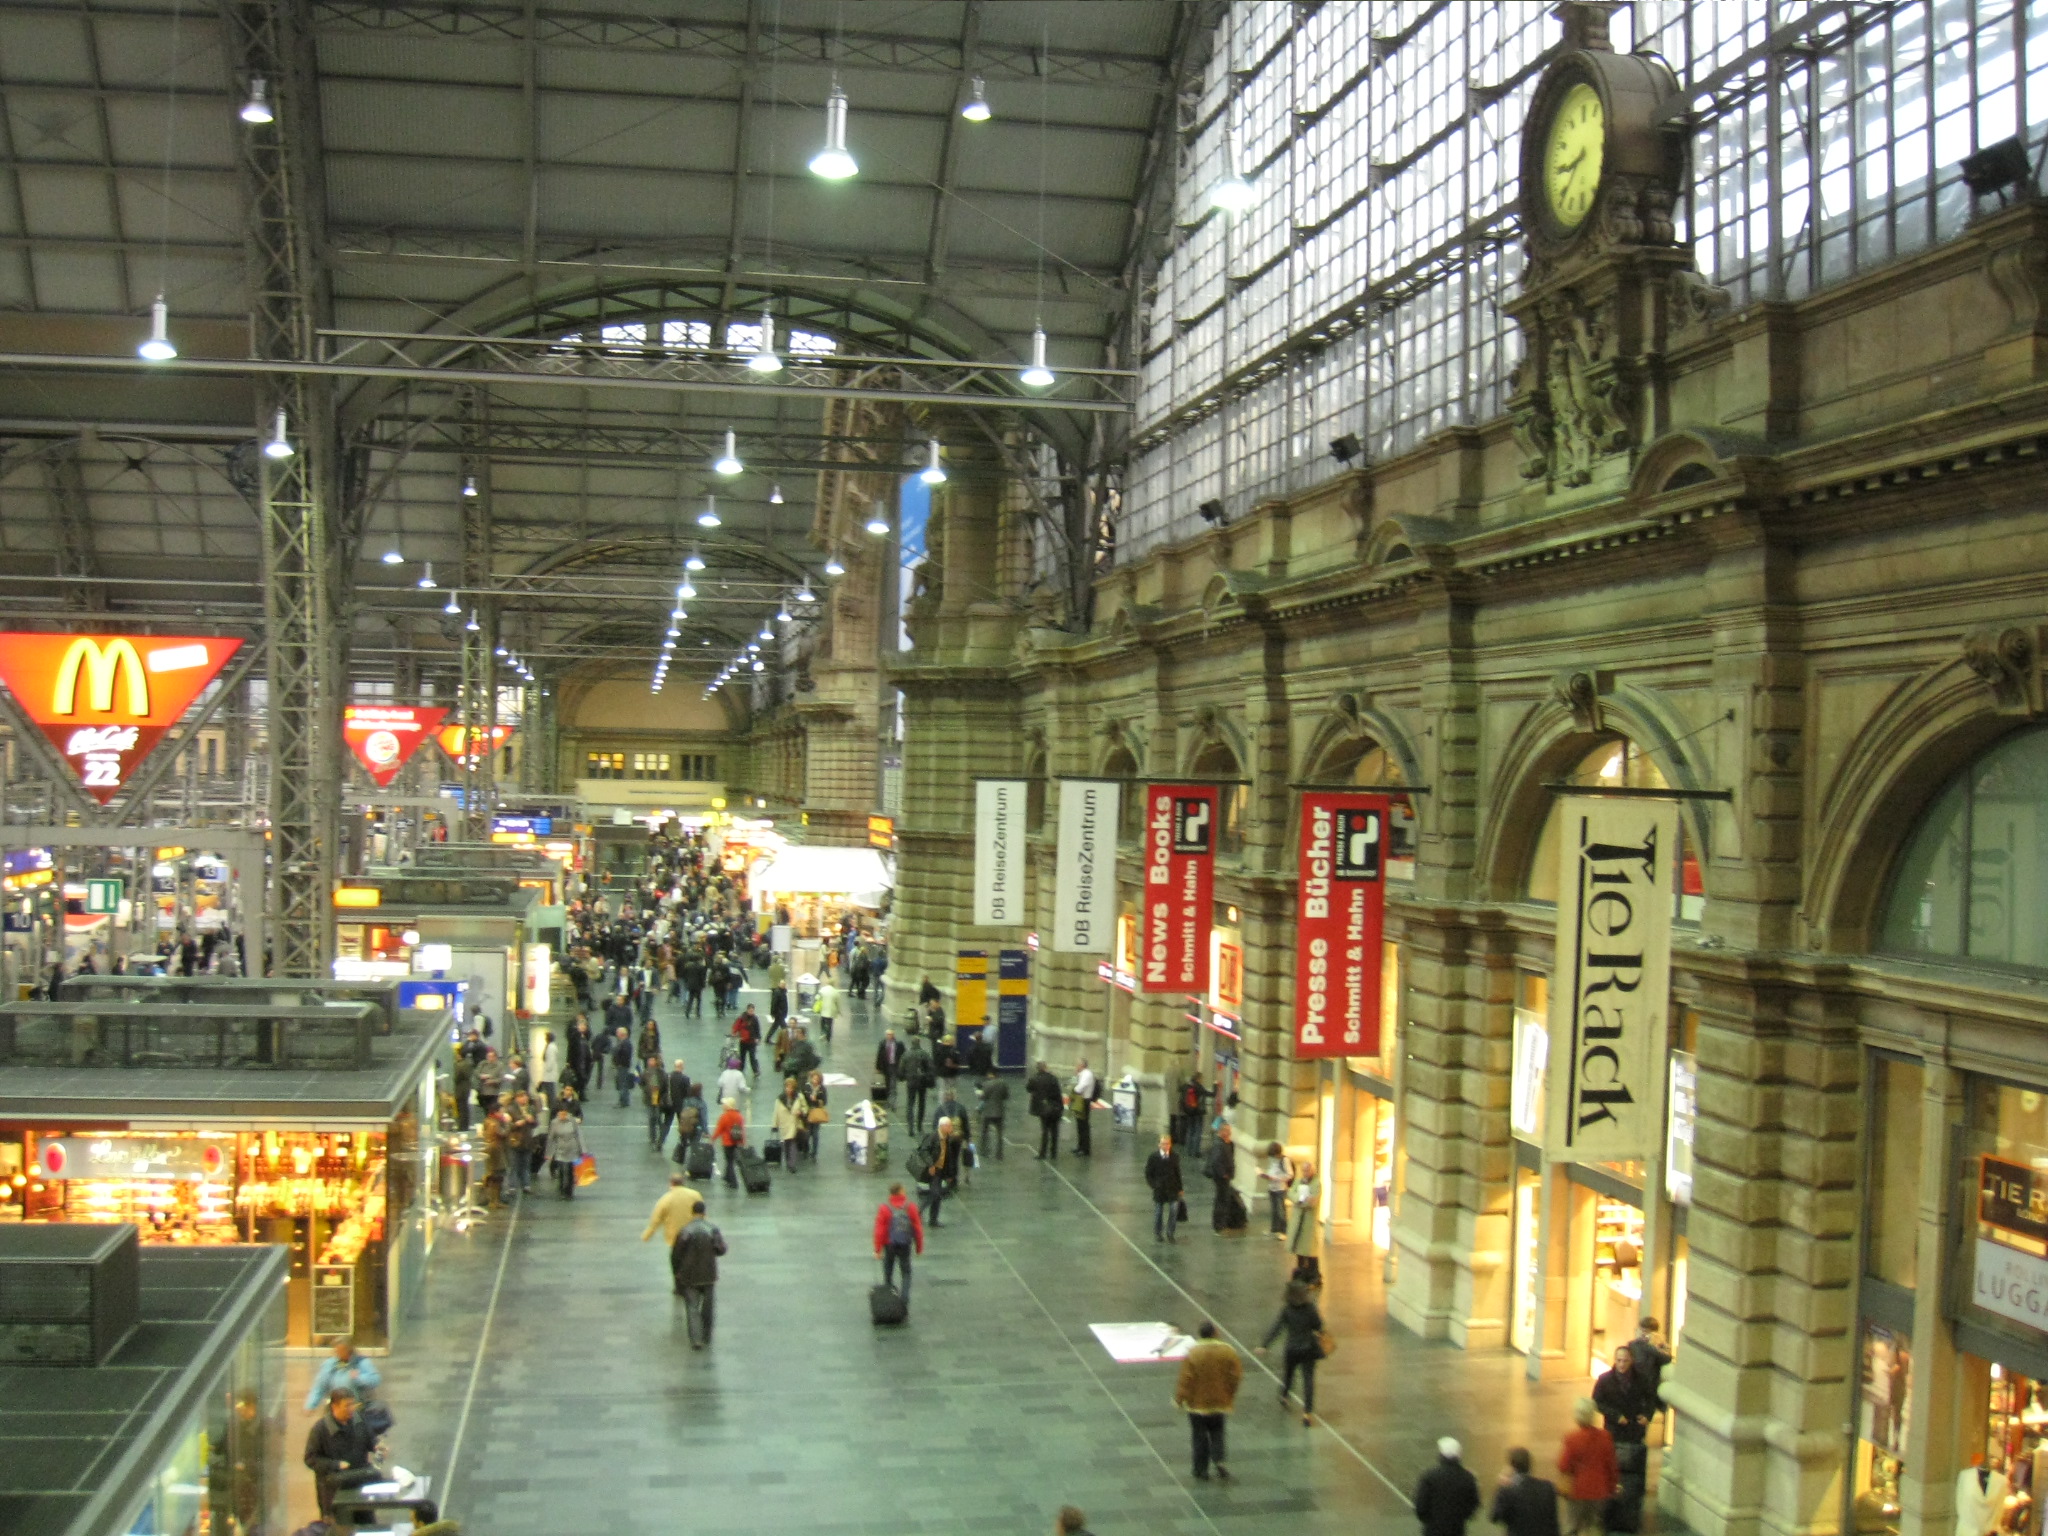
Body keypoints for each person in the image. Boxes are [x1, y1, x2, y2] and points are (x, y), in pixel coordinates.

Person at [1173, 1319, 1242, 1481]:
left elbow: (1186, 1379)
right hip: (1220, 1401)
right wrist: (1229, 1392)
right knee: (1217, 1431)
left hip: (1197, 1403)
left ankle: (1201, 1470)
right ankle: (1219, 1460)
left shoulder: (1193, 1353)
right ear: (1215, 1333)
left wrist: (1179, 1399)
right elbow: (1236, 1375)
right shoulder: (1228, 1351)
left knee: (1199, 1435)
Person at [303, 1389, 378, 1523]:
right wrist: (335, 1465)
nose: (351, 1409)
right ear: (334, 1406)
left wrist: (377, 1447)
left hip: (360, 1486)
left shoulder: (359, 1422)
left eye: (353, 1404)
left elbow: (371, 1441)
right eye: (347, 1405)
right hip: (334, 1494)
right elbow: (310, 1459)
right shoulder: (321, 1429)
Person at [1257, 1279, 1325, 1425]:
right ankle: (1307, 1413)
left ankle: (1284, 1396)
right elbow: (1318, 1326)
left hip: (1292, 1349)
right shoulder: (1310, 1308)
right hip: (1308, 1348)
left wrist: (1265, 1345)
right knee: (1308, 1380)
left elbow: (1277, 1328)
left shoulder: (1287, 1310)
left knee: (1289, 1374)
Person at [1557, 1398, 1619, 1536]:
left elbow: (1563, 1466)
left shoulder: (1572, 1438)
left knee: (1572, 1525)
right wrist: (1612, 1487)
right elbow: (1612, 1466)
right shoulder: (1606, 1437)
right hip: (1600, 1490)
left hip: (1577, 1491)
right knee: (1594, 1526)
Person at [671, 1200, 725, 1349]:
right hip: (708, 1274)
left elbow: (676, 1255)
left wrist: (677, 1272)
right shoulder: (712, 1229)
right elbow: (721, 1249)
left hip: (689, 1275)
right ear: (704, 1213)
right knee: (708, 1308)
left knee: (692, 1307)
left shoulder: (685, 1231)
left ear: (692, 1213)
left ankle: (696, 1339)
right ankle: (706, 1336)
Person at [1415, 1438, 1483, 1536]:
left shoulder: (1429, 1476)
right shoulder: (1467, 1477)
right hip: (1457, 1529)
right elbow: (1474, 1503)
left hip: (1433, 1529)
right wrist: (1462, 1517)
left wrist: (1428, 1520)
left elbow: (1421, 1505)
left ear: (1441, 1455)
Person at [873, 1180, 925, 1306]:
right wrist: (919, 1247)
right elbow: (917, 1229)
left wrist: (878, 1249)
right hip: (905, 1244)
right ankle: (904, 1300)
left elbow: (879, 1230)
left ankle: (889, 1297)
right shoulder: (910, 1207)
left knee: (888, 1271)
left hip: (889, 1244)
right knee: (906, 1273)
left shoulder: (884, 1208)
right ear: (900, 1191)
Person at [1490, 1447, 1562, 1536]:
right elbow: (1553, 1521)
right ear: (1529, 1465)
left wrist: (1501, 1486)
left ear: (1511, 1467)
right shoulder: (1548, 1487)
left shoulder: (1507, 1491)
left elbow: (1494, 1517)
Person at [1592, 1345, 1654, 1444]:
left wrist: (1647, 1415)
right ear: (1615, 1360)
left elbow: (1651, 1398)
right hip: (1613, 1429)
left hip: (1635, 1430)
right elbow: (1596, 1402)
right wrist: (1615, 1416)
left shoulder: (1641, 1379)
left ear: (1631, 1360)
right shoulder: (1604, 1379)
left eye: (1625, 1361)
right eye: (1619, 1360)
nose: (1622, 1364)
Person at [303, 1336, 382, 1413]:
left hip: (357, 1409)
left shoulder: (361, 1362)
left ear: (349, 1349)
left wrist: (359, 1378)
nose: (339, 1353)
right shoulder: (329, 1364)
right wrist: (311, 1405)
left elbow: (375, 1380)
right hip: (335, 1409)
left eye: (342, 1350)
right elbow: (319, 1386)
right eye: (337, 1350)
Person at [641, 1173, 706, 1260]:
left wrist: (646, 1236)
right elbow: (702, 1214)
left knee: (678, 1261)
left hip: (675, 1238)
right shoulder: (695, 1195)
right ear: (683, 1183)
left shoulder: (666, 1199)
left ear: (671, 1183)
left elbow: (656, 1220)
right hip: (694, 1235)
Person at [915, 1116, 963, 1227]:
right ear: (942, 1126)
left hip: (941, 1171)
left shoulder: (947, 1138)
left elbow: (949, 1157)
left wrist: (950, 1174)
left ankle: (933, 1219)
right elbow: (923, 1151)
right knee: (935, 1193)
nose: (951, 1128)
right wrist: (930, 1164)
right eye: (949, 1126)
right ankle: (918, 1211)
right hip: (933, 1171)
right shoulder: (933, 1137)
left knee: (937, 1195)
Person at [1288, 1157, 1323, 1281]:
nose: (1305, 1173)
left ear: (1313, 1171)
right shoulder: (1298, 1181)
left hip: (1309, 1220)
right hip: (1298, 1219)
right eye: (1303, 1170)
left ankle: (1314, 1273)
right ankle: (1301, 1270)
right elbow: (1291, 1193)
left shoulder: (1316, 1183)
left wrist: (1302, 1202)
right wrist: (1299, 1199)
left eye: (1307, 1170)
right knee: (1299, 1247)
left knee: (1309, 1248)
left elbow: (1312, 1201)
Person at [1146, 1133, 1185, 1242]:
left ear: (1170, 1145)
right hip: (1160, 1189)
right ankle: (1158, 1233)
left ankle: (1170, 1233)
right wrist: (1153, 1185)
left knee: (1173, 1210)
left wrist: (1180, 1188)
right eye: (1163, 1144)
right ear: (1159, 1144)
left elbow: (1177, 1173)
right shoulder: (1153, 1157)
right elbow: (1148, 1173)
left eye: (1167, 1144)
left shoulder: (1174, 1156)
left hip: (1172, 1188)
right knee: (1158, 1211)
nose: (1165, 1146)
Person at [545, 1105, 584, 1198]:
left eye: (564, 1114)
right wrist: (549, 1153)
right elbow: (551, 1138)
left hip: (572, 1149)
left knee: (570, 1171)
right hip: (560, 1150)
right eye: (560, 1114)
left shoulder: (572, 1121)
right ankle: (562, 1190)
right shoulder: (554, 1123)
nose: (562, 1116)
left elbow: (578, 1135)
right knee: (562, 1170)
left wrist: (582, 1150)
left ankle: (569, 1192)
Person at [1205, 1125, 1240, 1232]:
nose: (1229, 1133)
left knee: (1223, 1199)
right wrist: (1223, 1174)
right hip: (1221, 1178)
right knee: (1221, 1200)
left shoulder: (1227, 1144)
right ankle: (1219, 1225)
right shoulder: (1219, 1145)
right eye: (1227, 1131)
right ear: (1221, 1132)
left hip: (1225, 1176)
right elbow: (1216, 1161)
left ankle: (1222, 1223)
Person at [1028, 1059, 1064, 1159]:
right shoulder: (1053, 1078)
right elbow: (1058, 1093)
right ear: (1045, 1067)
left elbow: (1028, 1088)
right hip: (1054, 1107)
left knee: (1045, 1131)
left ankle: (1042, 1153)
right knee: (1054, 1131)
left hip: (1042, 1108)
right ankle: (1053, 1153)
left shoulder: (1034, 1079)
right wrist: (1060, 1107)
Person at [902, 1032, 936, 1134]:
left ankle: (910, 1128)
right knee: (921, 1103)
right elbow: (931, 1068)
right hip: (922, 1082)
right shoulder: (924, 1054)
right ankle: (919, 1126)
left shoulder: (906, 1054)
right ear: (919, 1043)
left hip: (911, 1082)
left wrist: (903, 1077)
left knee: (910, 1104)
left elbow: (901, 1069)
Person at [772, 1076, 806, 1172]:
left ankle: (791, 1163)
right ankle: (788, 1161)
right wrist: (774, 1125)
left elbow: (805, 1108)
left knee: (793, 1143)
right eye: (787, 1087)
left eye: (791, 1087)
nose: (789, 1089)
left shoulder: (799, 1097)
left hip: (795, 1123)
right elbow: (776, 1112)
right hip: (785, 1123)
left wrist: (801, 1112)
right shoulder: (780, 1099)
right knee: (787, 1143)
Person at [712, 1095, 747, 1188]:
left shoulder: (724, 1116)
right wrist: (743, 1142)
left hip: (727, 1142)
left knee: (729, 1162)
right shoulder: (739, 1116)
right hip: (736, 1141)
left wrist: (712, 1139)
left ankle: (733, 1182)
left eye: (724, 1104)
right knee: (730, 1160)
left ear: (728, 1106)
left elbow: (719, 1130)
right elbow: (742, 1130)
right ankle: (727, 1177)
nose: (722, 1106)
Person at [1260, 1142, 1293, 1239]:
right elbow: (1272, 1170)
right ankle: (1274, 1229)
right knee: (1274, 1210)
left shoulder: (1284, 1160)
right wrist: (1265, 1175)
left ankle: (1283, 1231)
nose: (1273, 1157)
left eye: (1274, 1155)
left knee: (1280, 1210)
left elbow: (1290, 1174)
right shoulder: (1272, 1159)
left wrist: (1276, 1178)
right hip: (1272, 1187)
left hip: (1280, 1188)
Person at [978, 1071, 1009, 1160]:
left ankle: (984, 1151)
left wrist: (979, 1094)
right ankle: (999, 1154)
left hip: (988, 1112)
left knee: (984, 1132)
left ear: (991, 1075)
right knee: (999, 1134)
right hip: (999, 1111)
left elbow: (983, 1097)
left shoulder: (986, 1084)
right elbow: (1006, 1096)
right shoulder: (1003, 1083)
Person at [1069, 1059, 1098, 1155]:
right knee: (1080, 1124)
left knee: (1084, 1125)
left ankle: (1085, 1149)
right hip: (1081, 1100)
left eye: (1077, 1065)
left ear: (1082, 1065)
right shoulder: (1082, 1074)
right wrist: (1077, 1074)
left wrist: (1074, 1089)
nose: (1076, 1066)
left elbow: (1080, 1087)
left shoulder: (1087, 1074)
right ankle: (1080, 1146)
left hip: (1084, 1101)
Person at [1177, 1073, 1210, 1156]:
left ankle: (1188, 1150)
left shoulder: (1187, 1086)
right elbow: (1211, 1094)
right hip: (1198, 1112)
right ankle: (1196, 1151)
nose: (1202, 1080)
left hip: (1189, 1111)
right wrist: (1216, 1085)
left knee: (1190, 1130)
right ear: (1198, 1079)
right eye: (1201, 1078)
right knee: (1198, 1131)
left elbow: (1179, 1089)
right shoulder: (1199, 1087)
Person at [874, 1029, 905, 1101]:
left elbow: (904, 1054)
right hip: (886, 1065)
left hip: (895, 1065)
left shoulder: (898, 1044)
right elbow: (879, 1055)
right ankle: (888, 1094)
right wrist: (878, 1067)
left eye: (890, 1034)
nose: (889, 1036)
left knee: (893, 1081)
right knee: (887, 1081)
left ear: (893, 1035)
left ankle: (893, 1094)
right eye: (888, 1034)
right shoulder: (883, 1043)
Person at [610, 1027, 635, 1108]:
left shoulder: (625, 1043)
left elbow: (625, 1055)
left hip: (622, 1066)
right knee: (622, 1083)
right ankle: (624, 1101)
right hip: (622, 1065)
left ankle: (623, 1101)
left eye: (618, 1032)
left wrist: (619, 1063)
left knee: (622, 1084)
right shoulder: (623, 1042)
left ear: (622, 1034)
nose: (616, 1034)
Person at [815, 975, 840, 1042]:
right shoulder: (835, 992)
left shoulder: (823, 990)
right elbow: (837, 1003)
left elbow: (817, 997)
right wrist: (839, 1010)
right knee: (830, 1024)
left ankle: (823, 1033)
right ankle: (828, 1037)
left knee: (822, 1022)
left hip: (823, 1009)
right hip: (831, 1011)